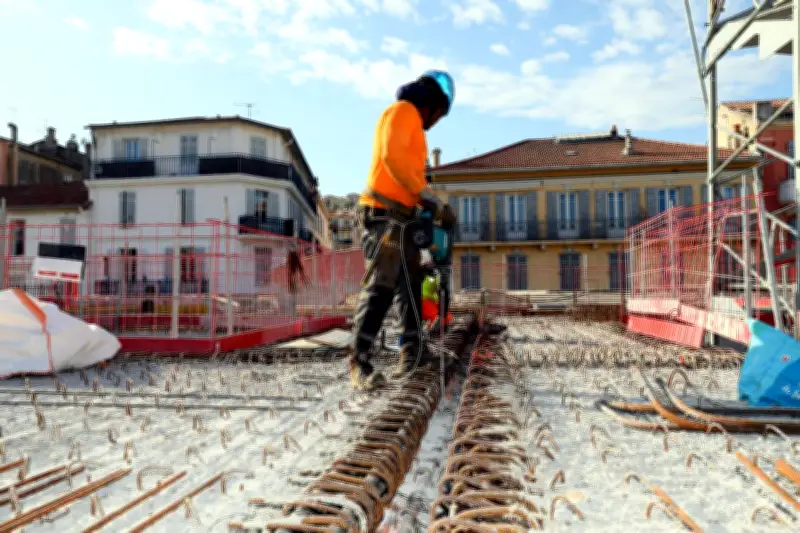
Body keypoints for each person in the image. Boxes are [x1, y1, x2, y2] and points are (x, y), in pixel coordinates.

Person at [350, 70, 457, 391]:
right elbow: (392, 157)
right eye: (439, 114)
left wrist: (433, 205)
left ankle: (413, 352)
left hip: (403, 218)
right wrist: (426, 196)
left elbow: (413, 175)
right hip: (384, 215)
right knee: (382, 284)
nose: (437, 121)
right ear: (433, 104)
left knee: (410, 284)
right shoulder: (403, 111)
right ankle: (359, 361)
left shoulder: (416, 130)